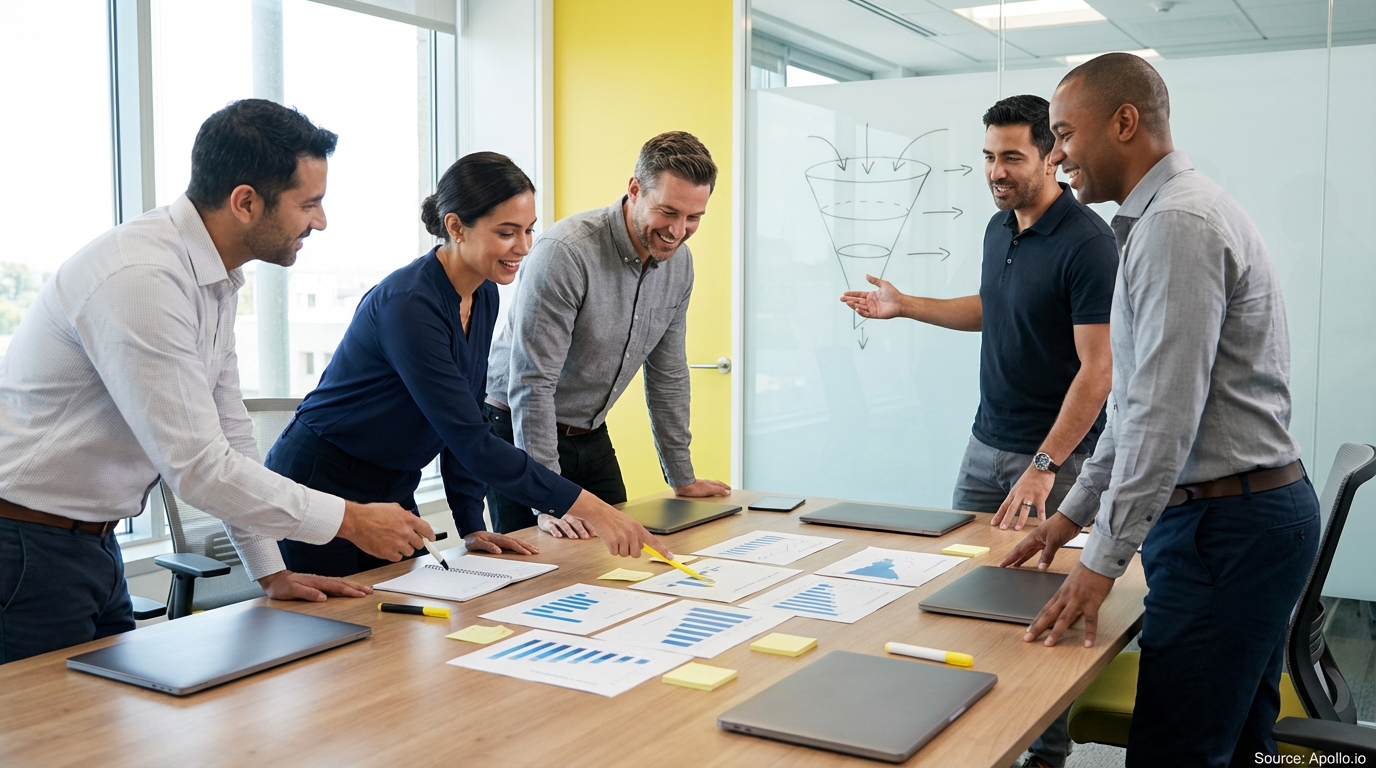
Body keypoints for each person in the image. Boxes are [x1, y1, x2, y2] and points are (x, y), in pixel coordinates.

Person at [0, 99, 435, 664]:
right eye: (309, 203)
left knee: (108, 737)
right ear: (246, 202)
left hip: (92, 543)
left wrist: (271, 570)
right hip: (27, 545)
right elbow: (198, 467)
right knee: (47, 743)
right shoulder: (144, 277)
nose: (321, 222)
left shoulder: (213, 279)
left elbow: (231, 440)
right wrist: (350, 520)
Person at [1002, 53, 1319, 768]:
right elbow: (1137, 404)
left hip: (1227, 530)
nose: (1057, 156)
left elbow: (1161, 424)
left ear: (1124, 121)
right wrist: (1072, 518)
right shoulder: (1159, 222)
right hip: (1235, 519)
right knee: (1233, 746)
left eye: (1062, 135)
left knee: (1176, 754)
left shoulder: (1179, 226)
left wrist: (1101, 563)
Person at [842, 94, 1116, 768]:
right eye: (989, 157)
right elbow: (996, 309)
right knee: (962, 595)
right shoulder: (1002, 229)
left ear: (1051, 154)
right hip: (984, 446)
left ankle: (1044, 755)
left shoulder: (1088, 244)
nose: (996, 171)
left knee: (1040, 615)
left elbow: (1098, 370)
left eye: (1012, 157)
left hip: (1055, 465)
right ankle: (964, 739)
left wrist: (1045, 465)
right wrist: (906, 305)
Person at [269, 152, 671, 577]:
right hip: (321, 481)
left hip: (391, 489)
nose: (524, 247)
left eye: (529, 230)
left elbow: (465, 415)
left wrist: (471, 527)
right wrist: (593, 508)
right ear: (456, 227)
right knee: (338, 628)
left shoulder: (484, 295)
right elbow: (471, 440)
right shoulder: (408, 305)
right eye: (506, 232)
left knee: (398, 625)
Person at [483, 132, 731, 536]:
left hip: (591, 432)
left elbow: (668, 374)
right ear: (635, 189)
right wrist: (549, 497)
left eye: (694, 218)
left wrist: (682, 477)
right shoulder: (566, 253)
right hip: (515, 430)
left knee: (622, 552)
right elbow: (532, 382)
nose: (679, 230)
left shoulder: (679, 264)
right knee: (540, 571)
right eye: (668, 211)